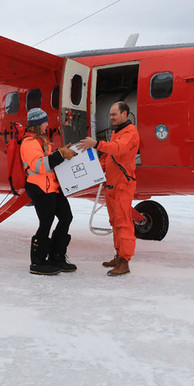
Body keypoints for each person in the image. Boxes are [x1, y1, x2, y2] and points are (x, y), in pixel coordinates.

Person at [76, 101, 140, 276]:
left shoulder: (130, 133)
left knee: (124, 223)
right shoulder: (117, 132)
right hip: (112, 185)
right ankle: (119, 255)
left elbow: (118, 150)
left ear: (125, 114)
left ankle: (124, 262)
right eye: (110, 115)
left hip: (122, 185)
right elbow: (109, 156)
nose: (111, 117)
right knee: (115, 223)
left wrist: (96, 144)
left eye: (114, 114)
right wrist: (95, 169)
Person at [21, 107, 78, 275]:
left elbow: (48, 162)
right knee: (46, 222)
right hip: (39, 188)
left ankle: (56, 256)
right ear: (38, 124)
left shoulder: (41, 142)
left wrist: (61, 153)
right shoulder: (29, 143)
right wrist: (60, 154)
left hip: (51, 187)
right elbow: (39, 166)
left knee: (66, 216)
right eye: (44, 121)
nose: (47, 124)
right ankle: (37, 262)